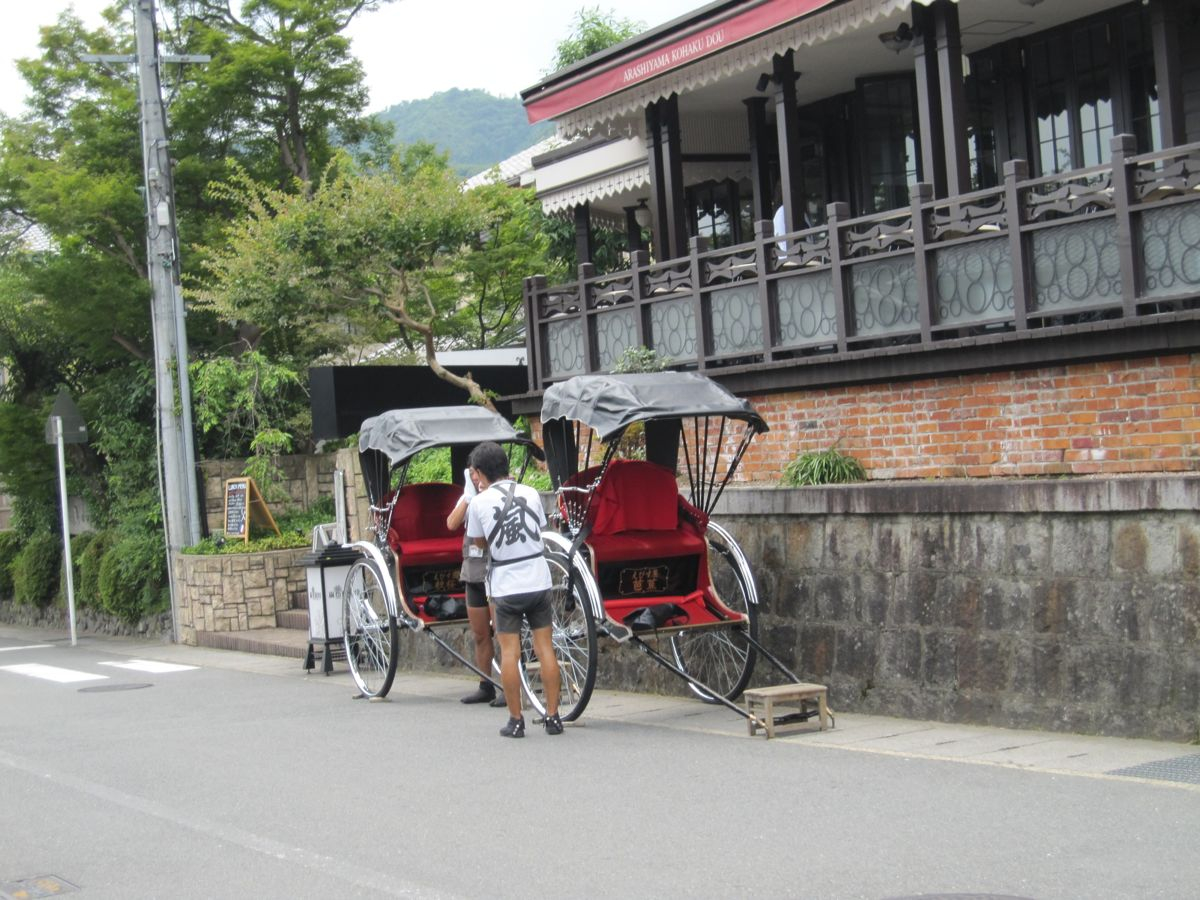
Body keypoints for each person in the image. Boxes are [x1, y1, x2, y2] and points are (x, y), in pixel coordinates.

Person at [465, 441, 562, 738]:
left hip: (506, 585)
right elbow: (540, 527)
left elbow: (479, 543)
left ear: (479, 472)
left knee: (510, 652)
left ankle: (516, 720)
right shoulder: (530, 493)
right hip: (538, 579)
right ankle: (553, 716)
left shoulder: (478, 503)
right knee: (545, 647)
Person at [446, 465, 504, 708]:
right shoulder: (470, 497)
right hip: (473, 571)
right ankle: (485, 685)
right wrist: (469, 498)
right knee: (480, 634)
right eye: (471, 475)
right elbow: (451, 524)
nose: (475, 479)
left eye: (478, 474)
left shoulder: (499, 497)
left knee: (503, 634)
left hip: (495, 572)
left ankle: (509, 685)